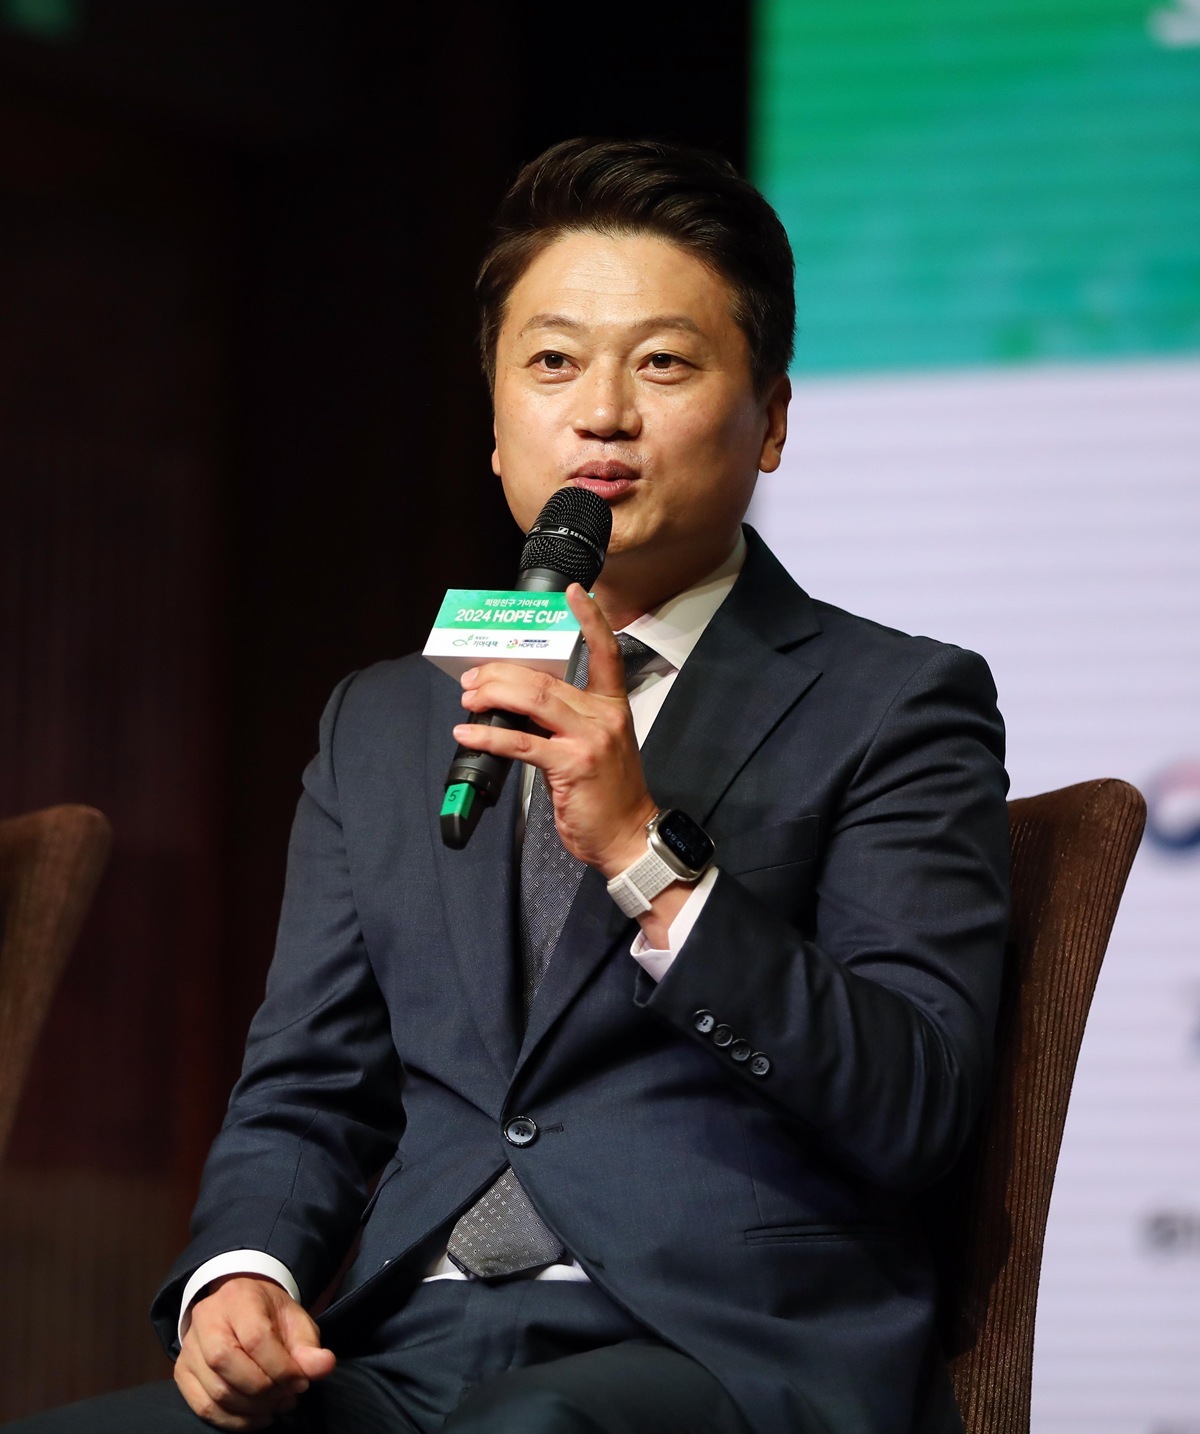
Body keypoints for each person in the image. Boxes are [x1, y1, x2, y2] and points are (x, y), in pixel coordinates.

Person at [12, 138, 1009, 1434]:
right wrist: (241, 1274)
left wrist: (645, 851)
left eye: (664, 363)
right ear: (494, 427)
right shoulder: (385, 720)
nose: (603, 412)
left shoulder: (893, 700)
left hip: (725, 1343)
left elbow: (918, 1101)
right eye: (551, 363)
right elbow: (308, 1086)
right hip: (403, 1348)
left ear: (770, 420)